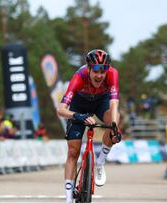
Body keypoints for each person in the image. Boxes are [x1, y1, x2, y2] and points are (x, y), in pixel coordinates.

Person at [57, 49, 121, 203]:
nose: (100, 76)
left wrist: (114, 126)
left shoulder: (112, 74)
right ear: (89, 69)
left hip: (101, 102)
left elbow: (114, 104)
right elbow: (61, 110)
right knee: (73, 151)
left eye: (103, 71)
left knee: (115, 120)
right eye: (96, 71)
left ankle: (100, 162)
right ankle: (68, 198)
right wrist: (76, 116)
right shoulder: (79, 77)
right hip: (79, 106)